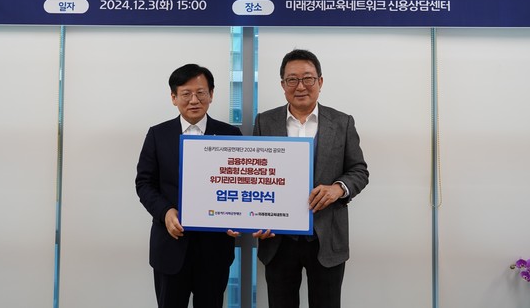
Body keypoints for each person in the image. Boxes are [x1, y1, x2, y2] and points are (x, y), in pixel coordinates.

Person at [252, 49, 369, 308]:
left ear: (320, 81)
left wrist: (338, 188)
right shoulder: (264, 122)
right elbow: (256, 174)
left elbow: (359, 170)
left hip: (326, 237)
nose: (300, 86)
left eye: (308, 78)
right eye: (292, 79)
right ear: (283, 84)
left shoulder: (342, 122)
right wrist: (256, 218)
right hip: (278, 240)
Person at [135, 63, 242, 308]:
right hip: (170, 247)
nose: (194, 100)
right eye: (186, 93)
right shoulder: (158, 134)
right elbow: (144, 183)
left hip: (214, 250)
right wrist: (165, 212)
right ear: (174, 97)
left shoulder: (230, 134)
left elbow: (238, 183)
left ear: (211, 95)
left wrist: (237, 216)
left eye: (201, 92)